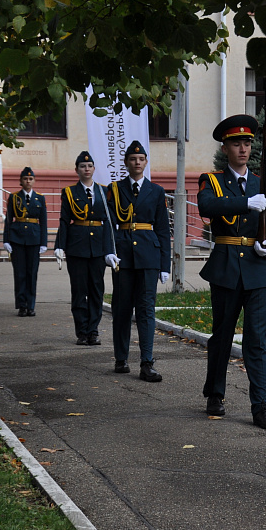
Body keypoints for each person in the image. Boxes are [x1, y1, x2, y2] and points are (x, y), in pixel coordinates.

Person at [197, 115, 266, 430]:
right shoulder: (213, 180)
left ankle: (260, 406)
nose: (243, 148)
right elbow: (207, 206)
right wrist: (246, 202)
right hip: (227, 266)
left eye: (247, 142)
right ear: (226, 147)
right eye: (236, 143)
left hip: (256, 270)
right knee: (222, 335)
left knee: (256, 341)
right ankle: (215, 393)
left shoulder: (264, 184)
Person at [106, 140, 171, 382]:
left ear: (146, 162)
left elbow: (163, 229)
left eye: (141, 159)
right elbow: (107, 224)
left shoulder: (156, 191)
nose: (137, 162)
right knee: (122, 308)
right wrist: (108, 250)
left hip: (148, 255)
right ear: (126, 163)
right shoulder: (114, 189)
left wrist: (165, 265)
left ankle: (147, 362)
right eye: (133, 159)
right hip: (123, 253)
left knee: (146, 310)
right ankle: (121, 358)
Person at [54, 151, 119, 346]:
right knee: (79, 291)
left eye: (89, 166)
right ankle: (81, 332)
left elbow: (108, 221)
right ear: (77, 170)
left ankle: (93, 330)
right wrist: (60, 246)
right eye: (83, 166)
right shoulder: (69, 192)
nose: (87, 169)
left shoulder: (104, 191)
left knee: (97, 290)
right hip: (77, 247)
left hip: (98, 248)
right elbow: (65, 221)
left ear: (94, 169)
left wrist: (110, 249)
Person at [3, 167, 48, 317]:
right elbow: (8, 219)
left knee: (32, 273)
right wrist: (6, 240)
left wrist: (43, 242)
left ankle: (31, 305)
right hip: (17, 238)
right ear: (20, 181)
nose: (28, 181)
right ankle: (21, 305)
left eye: (30, 179)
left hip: (34, 239)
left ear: (34, 181)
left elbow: (44, 222)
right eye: (25, 179)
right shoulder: (14, 197)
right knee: (20, 273)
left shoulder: (40, 198)